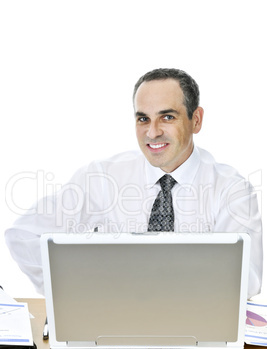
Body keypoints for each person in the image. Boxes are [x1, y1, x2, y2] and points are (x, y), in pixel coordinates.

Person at [5, 68, 263, 298]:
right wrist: (73, 294)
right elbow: (24, 235)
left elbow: (247, 280)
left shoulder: (231, 190)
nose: (152, 132)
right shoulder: (101, 177)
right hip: (112, 319)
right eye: (143, 119)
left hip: (194, 324)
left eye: (167, 117)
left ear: (196, 120)